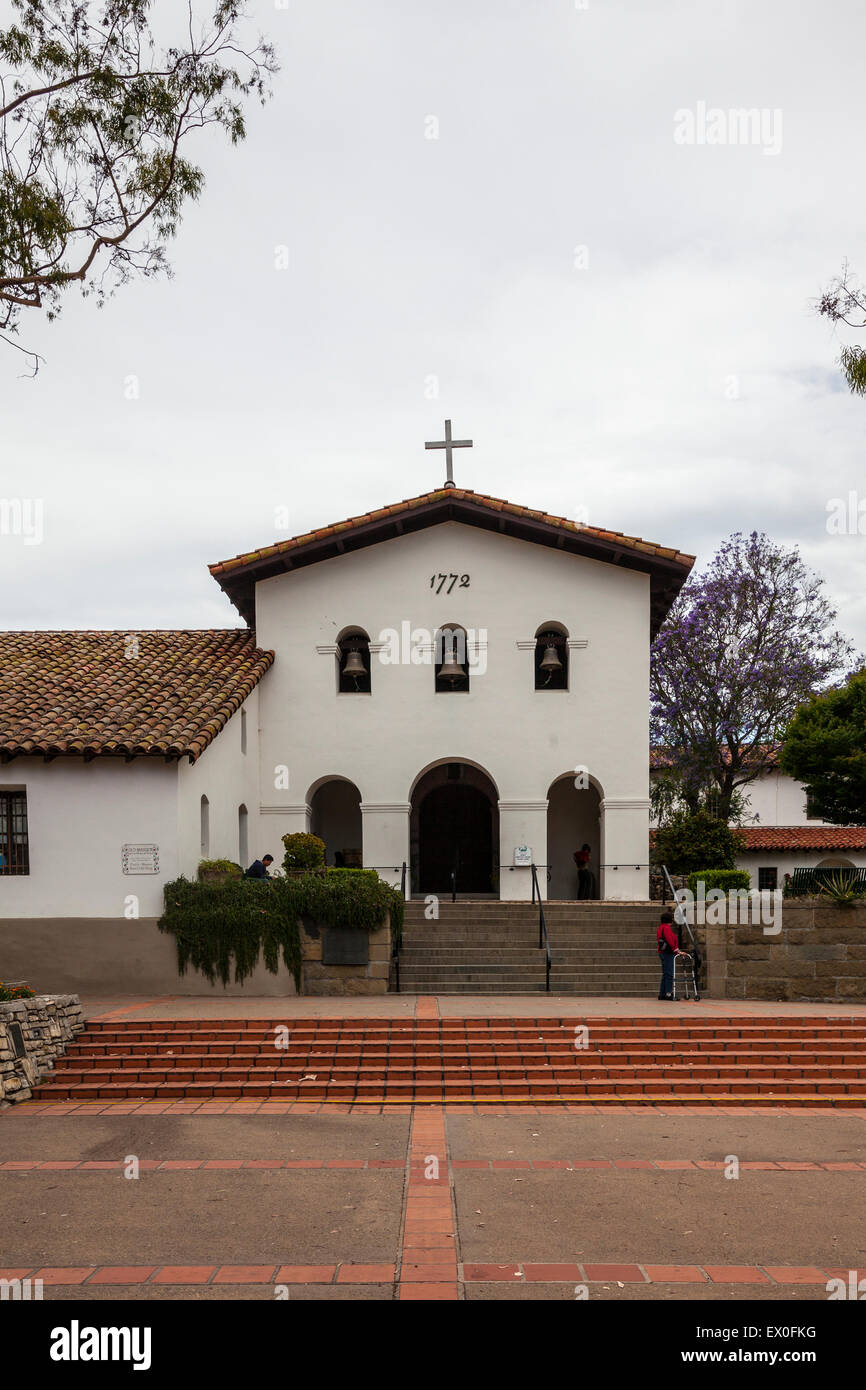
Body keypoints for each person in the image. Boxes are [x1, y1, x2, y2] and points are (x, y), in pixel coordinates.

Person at [656, 908, 683, 1000]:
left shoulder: (661, 927)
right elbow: (670, 941)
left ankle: (662, 993)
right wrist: (677, 951)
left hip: (662, 952)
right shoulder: (666, 928)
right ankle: (668, 993)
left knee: (665, 974)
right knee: (669, 974)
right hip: (667, 953)